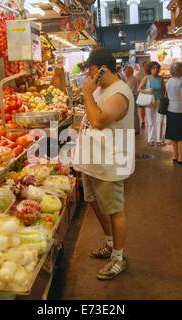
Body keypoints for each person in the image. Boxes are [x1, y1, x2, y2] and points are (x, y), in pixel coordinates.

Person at [74, 48, 135, 280]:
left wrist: (87, 94)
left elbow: (99, 120)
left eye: (90, 72)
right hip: (92, 161)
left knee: (114, 210)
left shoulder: (119, 93)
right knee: (94, 204)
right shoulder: (101, 88)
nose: (89, 77)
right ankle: (110, 244)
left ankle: (119, 258)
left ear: (102, 70)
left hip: (110, 162)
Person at [165, 62, 182, 164]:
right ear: (181, 70)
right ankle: (181, 157)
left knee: (173, 134)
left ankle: (174, 155)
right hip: (181, 110)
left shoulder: (169, 81)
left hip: (170, 109)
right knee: (181, 134)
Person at [138, 61, 166, 146]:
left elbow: (164, 89)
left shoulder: (160, 78)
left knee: (160, 120)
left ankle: (159, 140)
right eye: (154, 68)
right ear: (150, 69)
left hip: (159, 101)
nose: (156, 69)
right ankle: (150, 139)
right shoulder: (147, 78)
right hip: (149, 102)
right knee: (150, 121)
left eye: (157, 68)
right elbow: (139, 89)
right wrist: (147, 92)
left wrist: (163, 98)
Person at [124, 65, 140, 135]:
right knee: (130, 114)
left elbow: (130, 90)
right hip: (129, 97)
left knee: (134, 114)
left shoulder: (132, 79)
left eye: (127, 71)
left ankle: (136, 129)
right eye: (125, 71)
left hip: (132, 97)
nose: (125, 72)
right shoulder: (127, 78)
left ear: (130, 72)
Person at [136, 61, 149, 129]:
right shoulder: (138, 75)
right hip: (143, 94)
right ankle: (143, 121)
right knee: (142, 108)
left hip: (150, 94)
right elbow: (138, 85)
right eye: (146, 65)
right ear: (143, 66)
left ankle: (149, 121)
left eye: (148, 65)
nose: (147, 67)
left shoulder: (150, 73)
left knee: (149, 108)